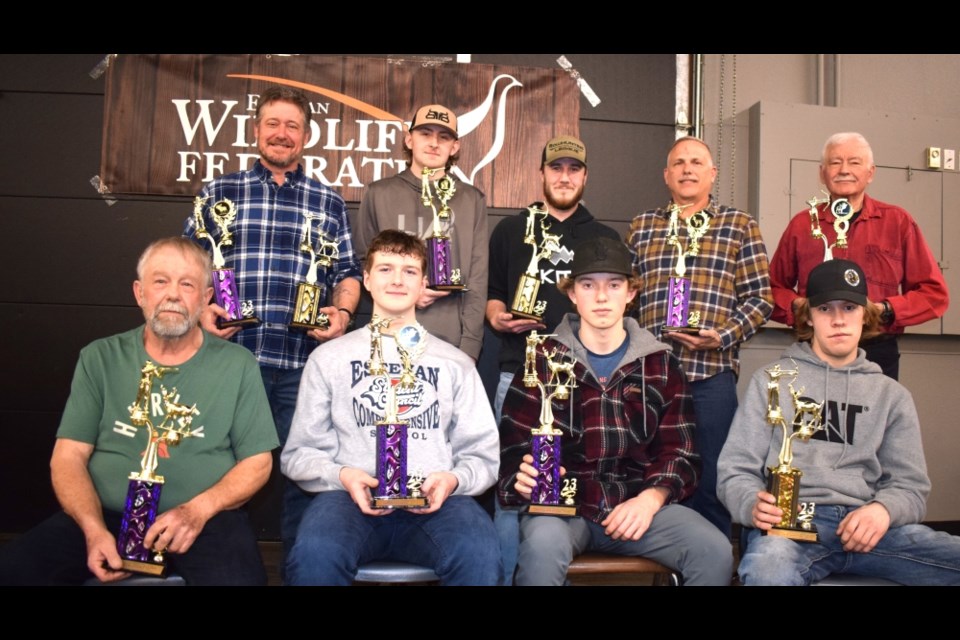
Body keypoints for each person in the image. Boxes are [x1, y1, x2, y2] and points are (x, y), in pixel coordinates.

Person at [0, 238, 278, 585]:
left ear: (206, 298)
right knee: (13, 571)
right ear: (139, 292)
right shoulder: (99, 357)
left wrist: (197, 511)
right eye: (160, 281)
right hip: (104, 515)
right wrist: (93, 529)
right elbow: (67, 457)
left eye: (187, 284)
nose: (173, 295)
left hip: (205, 520)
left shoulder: (238, 365)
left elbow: (258, 462)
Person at [182, 86, 362, 552]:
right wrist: (203, 308)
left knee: (303, 474)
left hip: (304, 366)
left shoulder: (329, 201)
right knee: (222, 465)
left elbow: (347, 272)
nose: (282, 134)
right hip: (231, 360)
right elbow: (189, 265)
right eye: (273, 124)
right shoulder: (220, 191)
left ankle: (303, 565)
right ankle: (219, 561)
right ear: (256, 130)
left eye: (293, 126)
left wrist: (341, 312)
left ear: (306, 137)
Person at [498, 237, 732, 586]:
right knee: (541, 548)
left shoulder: (661, 362)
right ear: (572, 294)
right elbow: (513, 445)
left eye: (614, 284)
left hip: (638, 505)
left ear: (632, 292)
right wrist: (523, 474)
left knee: (714, 550)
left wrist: (651, 499)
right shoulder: (541, 359)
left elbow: (680, 451)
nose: (602, 297)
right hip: (563, 509)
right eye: (588, 285)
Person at [717, 258, 960, 585]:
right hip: (792, 530)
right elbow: (735, 468)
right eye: (825, 309)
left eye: (849, 308)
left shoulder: (892, 395)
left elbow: (911, 487)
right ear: (808, 317)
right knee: (768, 567)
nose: (838, 320)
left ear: (866, 315)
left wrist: (883, 510)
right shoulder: (770, 382)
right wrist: (749, 503)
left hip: (869, 528)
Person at [281, 230, 501, 585]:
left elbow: (483, 455)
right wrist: (342, 476)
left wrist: (453, 479)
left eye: (409, 271)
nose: (397, 280)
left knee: (480, 552)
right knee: (314, 553)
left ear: (424, 283)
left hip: (438, 505)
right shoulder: (328, 358)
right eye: (385, 269)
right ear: (366, 279)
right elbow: (299, 454)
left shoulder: (455, 363)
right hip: (348, 501)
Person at [487, 135, 620, 581]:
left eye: (574, 169)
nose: (564, 177)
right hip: (519, 376)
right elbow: (493, 297)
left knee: (569, 485)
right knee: (512, 486)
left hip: (582, 384)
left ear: (585, 177)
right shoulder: (511, 229)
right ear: (541, 174)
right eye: (556, 168)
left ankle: (547, 568)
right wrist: (499, 317)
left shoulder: (602, 237)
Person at [627, 136, 773, 537]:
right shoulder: (643, 227)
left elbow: (761, 299)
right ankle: (663, 562)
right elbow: (629, 302)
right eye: (678, 163)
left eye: (696, 162)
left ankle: (713, 566)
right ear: (666, 175)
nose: (687, 169)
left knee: (712, 477)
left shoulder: (739, 225)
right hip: (651, 379)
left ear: (712, 174)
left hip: (712, 375)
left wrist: (721, 336)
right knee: (653, 473)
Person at [768, 132, 949, 380]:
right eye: (835, 162)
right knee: (811, 418)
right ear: (822, 174)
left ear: (870, 172)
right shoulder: (802, 224)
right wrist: (798, 307)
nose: (844, 170)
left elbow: (933, 293)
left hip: (876, 349)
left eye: (854, 162)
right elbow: (772, 287)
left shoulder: (898, 222)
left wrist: (885, 309)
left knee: (872, 419)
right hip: (813, 348)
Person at [355, 103, 487, 360]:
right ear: (409, 139)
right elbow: (364, 264)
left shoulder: (472, 200)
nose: (434, 143)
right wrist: (406, 296)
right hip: (387, 336)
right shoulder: (378, 193)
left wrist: (471, 345)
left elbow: (478, 278)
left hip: (450, 341)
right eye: (425, 133)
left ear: (455, 147)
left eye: (444, 136)